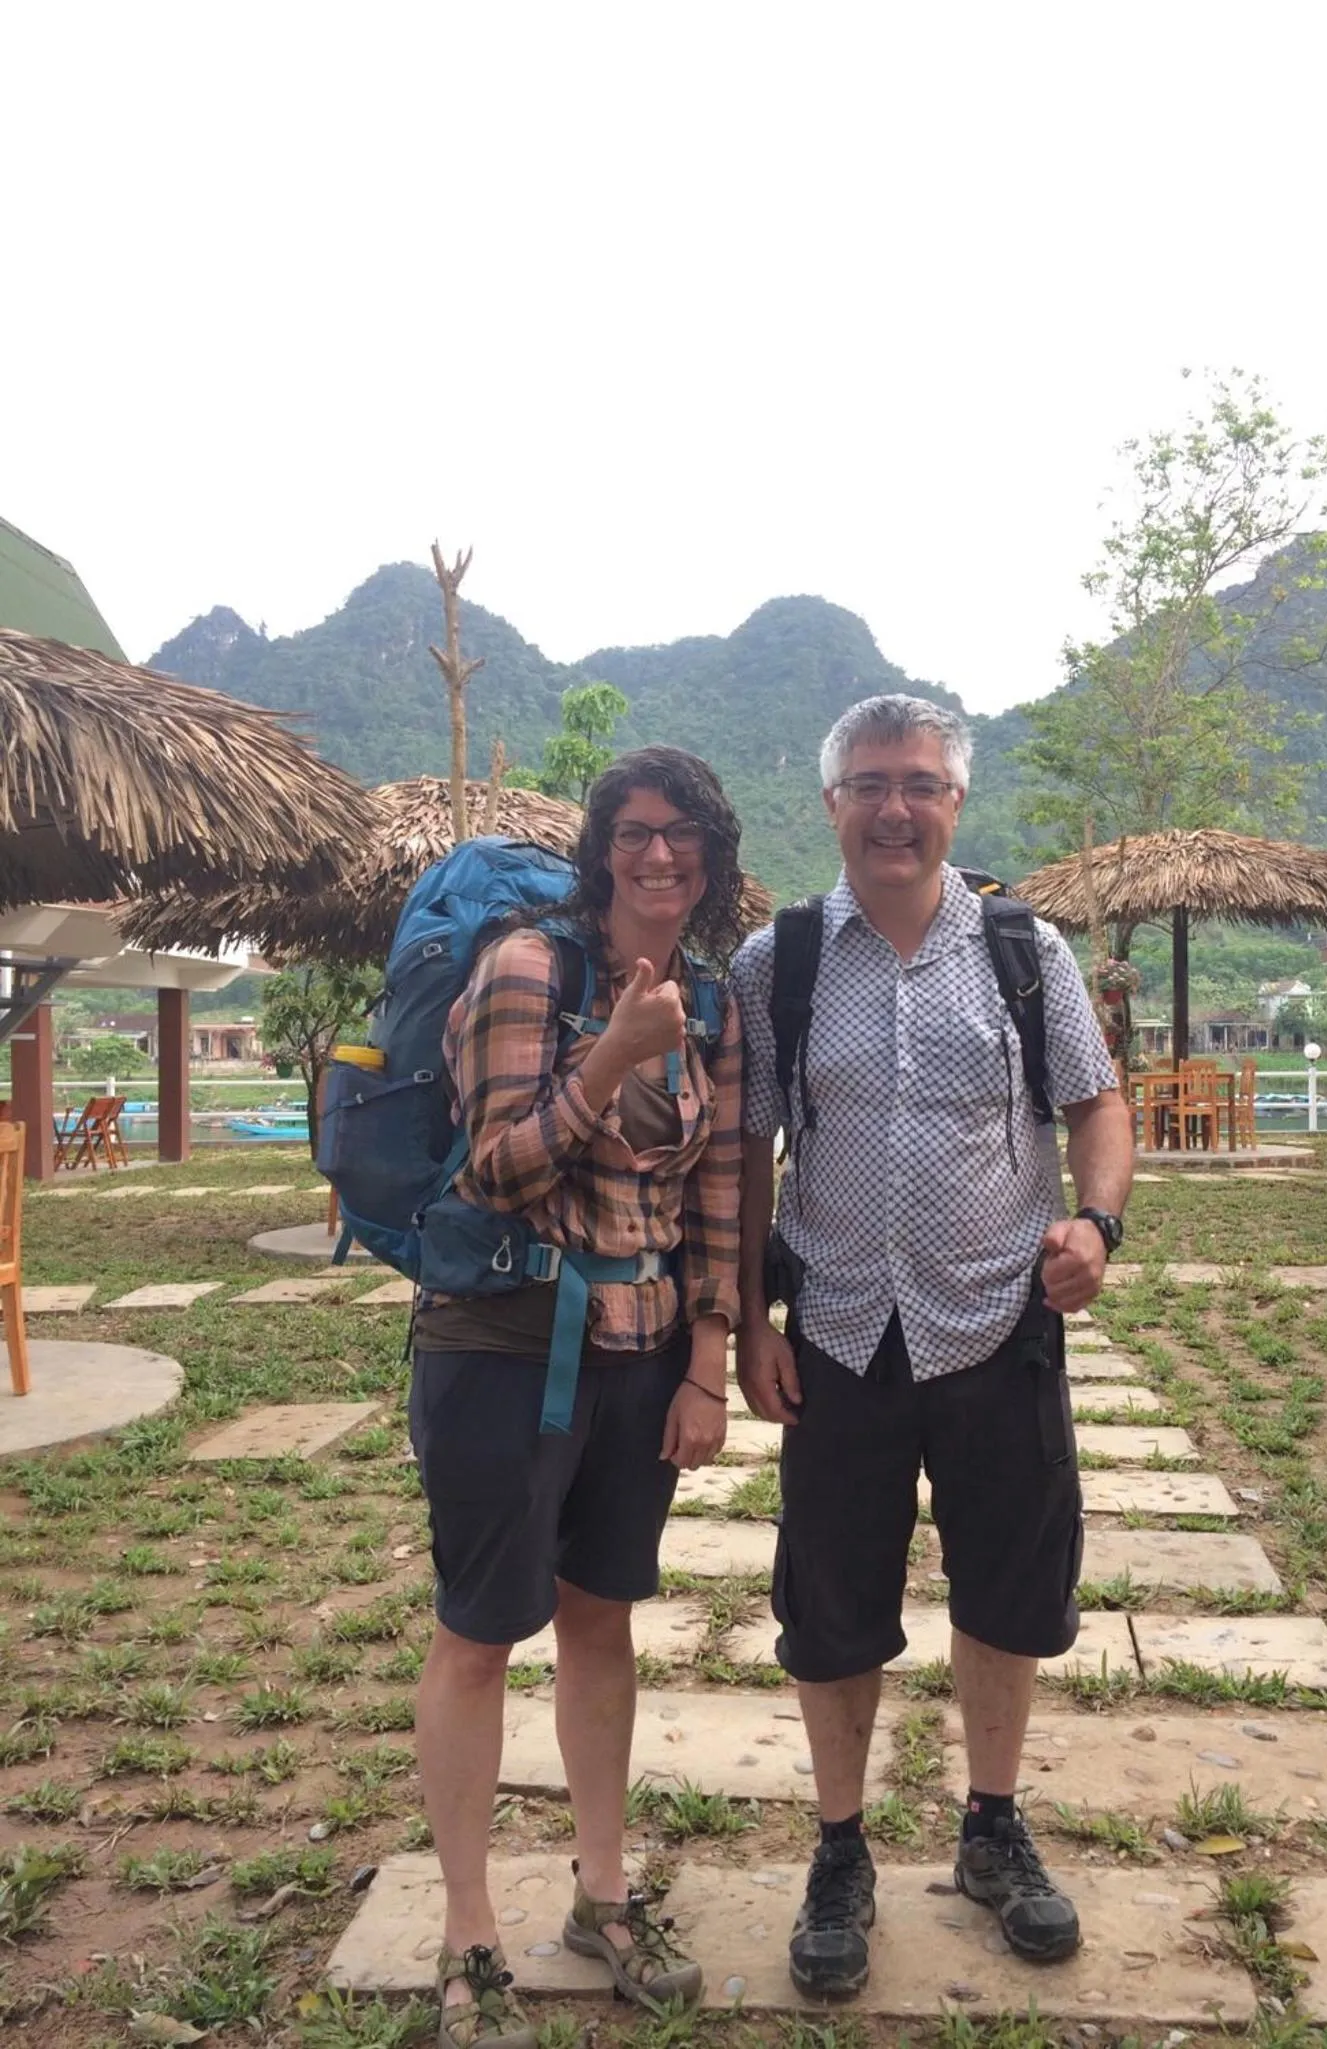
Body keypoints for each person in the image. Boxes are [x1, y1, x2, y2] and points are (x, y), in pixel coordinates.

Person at [733, 695, 1133, 2000]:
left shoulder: (1026, 953)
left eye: (919, 782)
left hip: (996, 1325)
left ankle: (992, 1827)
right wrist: (744, 1319)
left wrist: (1097, 1224)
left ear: (956, 802)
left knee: (1010, 1592)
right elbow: (747, 1155)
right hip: (839, 1335)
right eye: (869, 783)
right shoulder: (778, 962)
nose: (895, 807)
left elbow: (1098, 1102)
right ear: (833, 804)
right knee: (831, 1607)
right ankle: (839, 1848)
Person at [410, 747, 746, 2048]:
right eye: (637, 835)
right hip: (503, 1345)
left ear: (713, 862)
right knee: (480, 1634)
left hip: (644, 1351)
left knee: (602, 1622)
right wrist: (608, 1059)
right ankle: (468, 1933)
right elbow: (496, 1167)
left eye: (687, 840)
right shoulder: (528, 968)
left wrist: (709, 1362)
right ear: (601, 848)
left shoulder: (713, 1000)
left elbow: (717, 1191)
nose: (660, 858)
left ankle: (603, 1897)